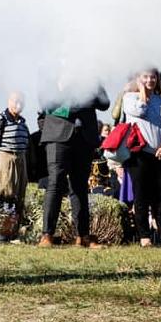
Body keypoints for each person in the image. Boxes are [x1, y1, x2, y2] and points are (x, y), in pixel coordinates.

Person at [38, 87, 109, 247]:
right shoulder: (51, 71)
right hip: (58, 134)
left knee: (80, 187)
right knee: (56, 182)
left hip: (84, 136)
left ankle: (83, 236)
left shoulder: (91, 74)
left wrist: (89, 90)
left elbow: (104, 103)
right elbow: (45, 101)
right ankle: (47, 235)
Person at [123, 68, 161, 246]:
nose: (150, 80)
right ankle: (144, 236)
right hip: (139, 153)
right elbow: (140, 111)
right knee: (141, 195)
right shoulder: (129, 98)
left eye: (152, 77)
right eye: (145, 77)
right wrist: (141, 91)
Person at [0, 91, 32, 237]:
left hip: (21, 158)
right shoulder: (0, 118)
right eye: (16, 101)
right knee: (6, 193)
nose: (19, 104)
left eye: (21, 101)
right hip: (6, 157)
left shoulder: (22, 121)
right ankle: (3, 230)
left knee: (20, 195)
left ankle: (15, 230)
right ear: (9, 101)